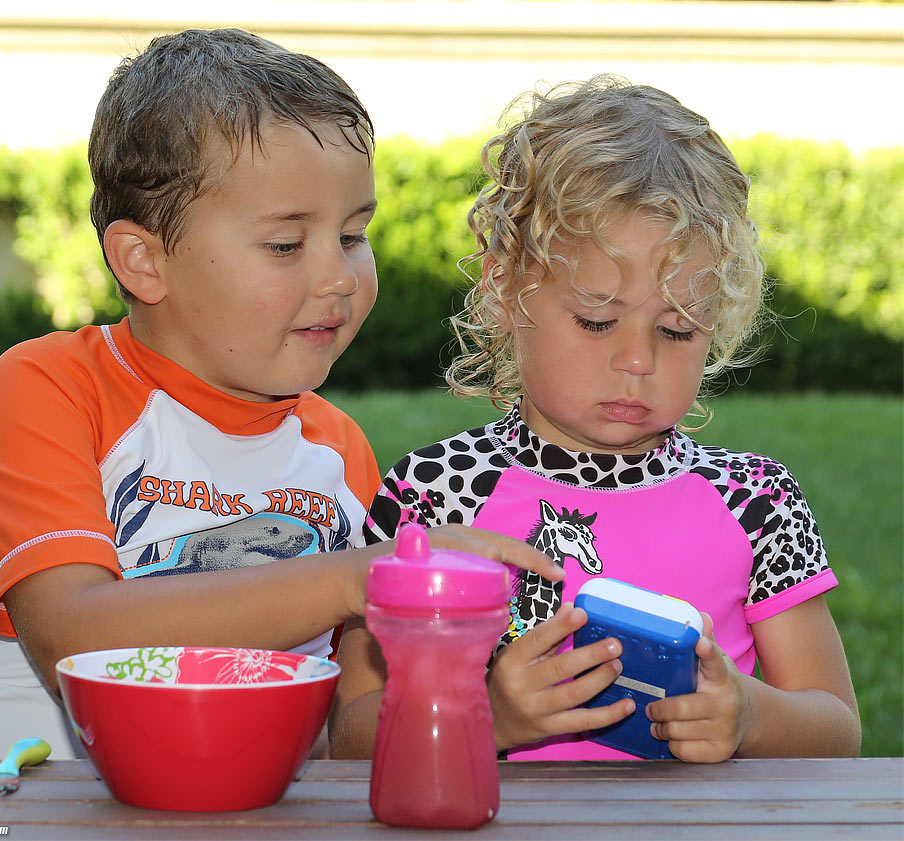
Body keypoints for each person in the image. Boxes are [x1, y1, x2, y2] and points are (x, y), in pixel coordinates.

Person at [0, 28, 571, 761]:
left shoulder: (339, 450)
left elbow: (347, 729)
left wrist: (490, 708)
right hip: (29, 810)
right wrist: (356, 575)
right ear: (144, 261)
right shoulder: (50, 388)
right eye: (285, 244)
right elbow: (74, 637)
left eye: (354, 234)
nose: (339, 277)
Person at [329, 75, 861, 762]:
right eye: (597, 320)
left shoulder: (757, 501)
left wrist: (749, 713)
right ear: (503, 291)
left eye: (677, 329)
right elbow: (349, 734)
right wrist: (487, 714)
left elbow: (838, 729)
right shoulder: (435, 495)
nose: (637, 360)